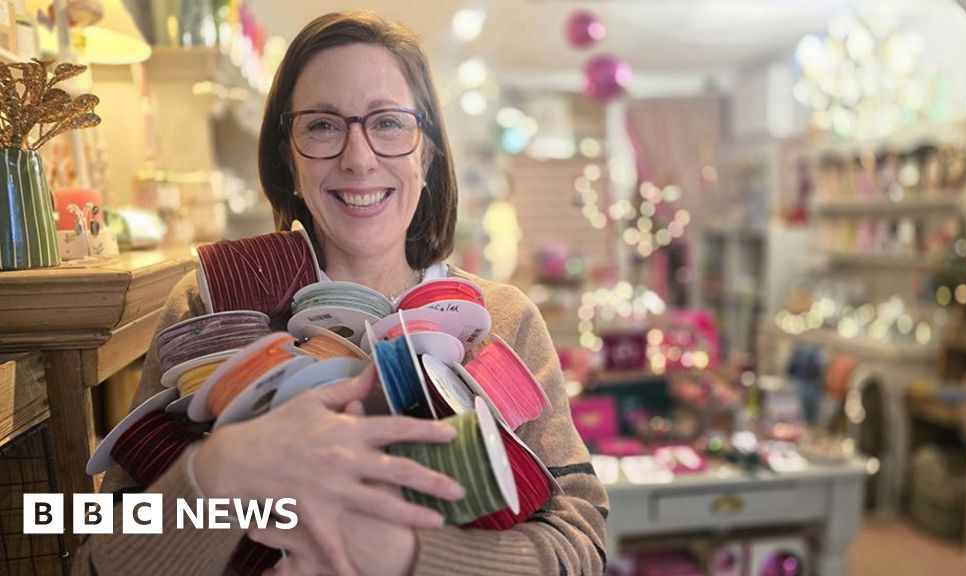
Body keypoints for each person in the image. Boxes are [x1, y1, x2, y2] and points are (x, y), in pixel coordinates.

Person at [73, 11, 608, 576]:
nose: (358, 157)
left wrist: (408, 558)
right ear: (289, 156)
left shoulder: (503, 321)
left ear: (425, 154)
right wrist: (215, 472)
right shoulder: (209, 306)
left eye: (389, 123)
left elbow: (583, 545)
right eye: (323, 126)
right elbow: (96, 559)